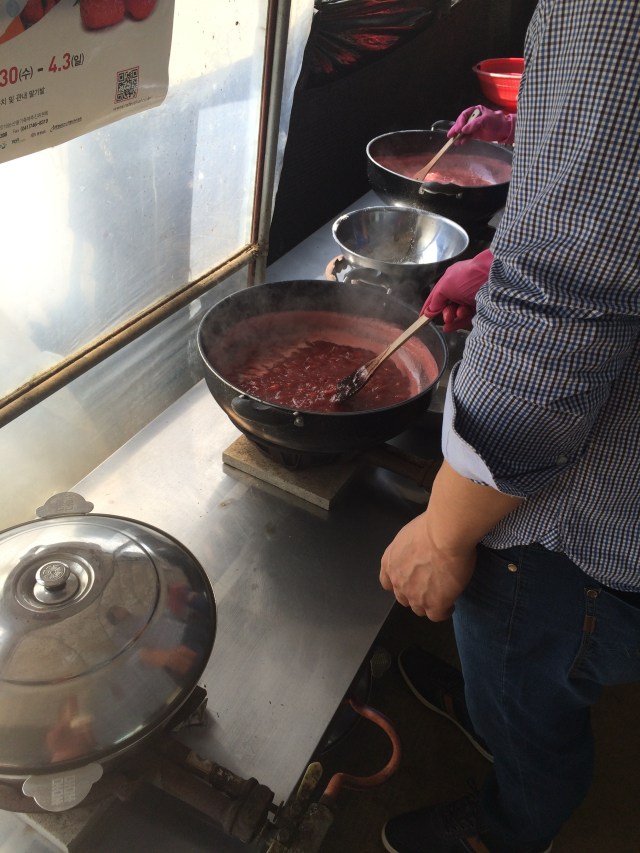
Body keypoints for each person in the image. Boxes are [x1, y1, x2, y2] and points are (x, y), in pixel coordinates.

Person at [378, 1, 640, 852]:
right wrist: (498, 261)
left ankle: (512, 820)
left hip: (586, 516)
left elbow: (564, 301)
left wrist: (446, 530)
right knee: (518, 671)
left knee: (530, 676)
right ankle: (499, 707)